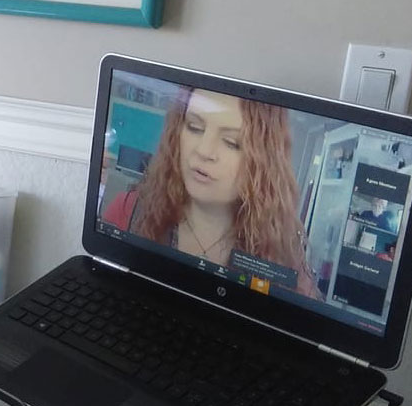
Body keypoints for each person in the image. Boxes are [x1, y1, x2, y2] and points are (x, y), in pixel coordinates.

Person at [101, 87, 322, 299]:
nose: (204, 150)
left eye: (232, 143)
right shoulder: (128, 210)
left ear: (263, 163)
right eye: (195, 128)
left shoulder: (284, 255)